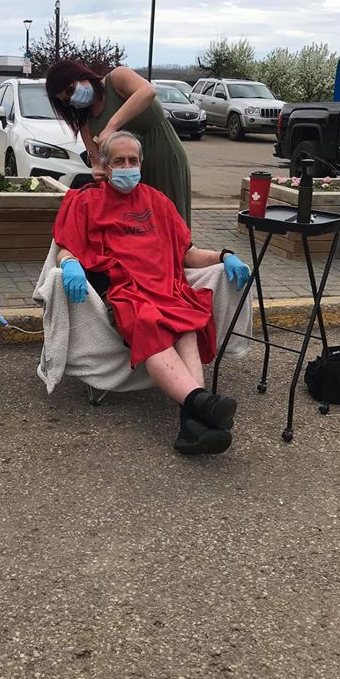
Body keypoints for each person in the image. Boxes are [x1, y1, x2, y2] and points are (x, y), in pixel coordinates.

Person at [53, 130, 251, 456]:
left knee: (187, 325)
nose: (127, 166)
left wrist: (224, 255)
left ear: (141, 163)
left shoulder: (158, 202)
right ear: (105, 166)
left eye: (133, 160)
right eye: (119, 161)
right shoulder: (86, 201)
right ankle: (203, 406)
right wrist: (69, 263)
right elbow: (65, 246)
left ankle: (194, 422)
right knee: (150, 324)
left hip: (166, 287)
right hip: (124, 291)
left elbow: (188, 254)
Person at [45, 59, 193, 226]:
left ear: (80, 75)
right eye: (66, 100)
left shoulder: (117, 78)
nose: (72, 99)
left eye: (70, 90)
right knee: (142, 226)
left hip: (163, 158)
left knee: (171, 222)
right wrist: (98, 170)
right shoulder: (86, 123)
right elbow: (97, 164)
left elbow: (147, 91)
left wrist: (111, 127)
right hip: (131, 175)